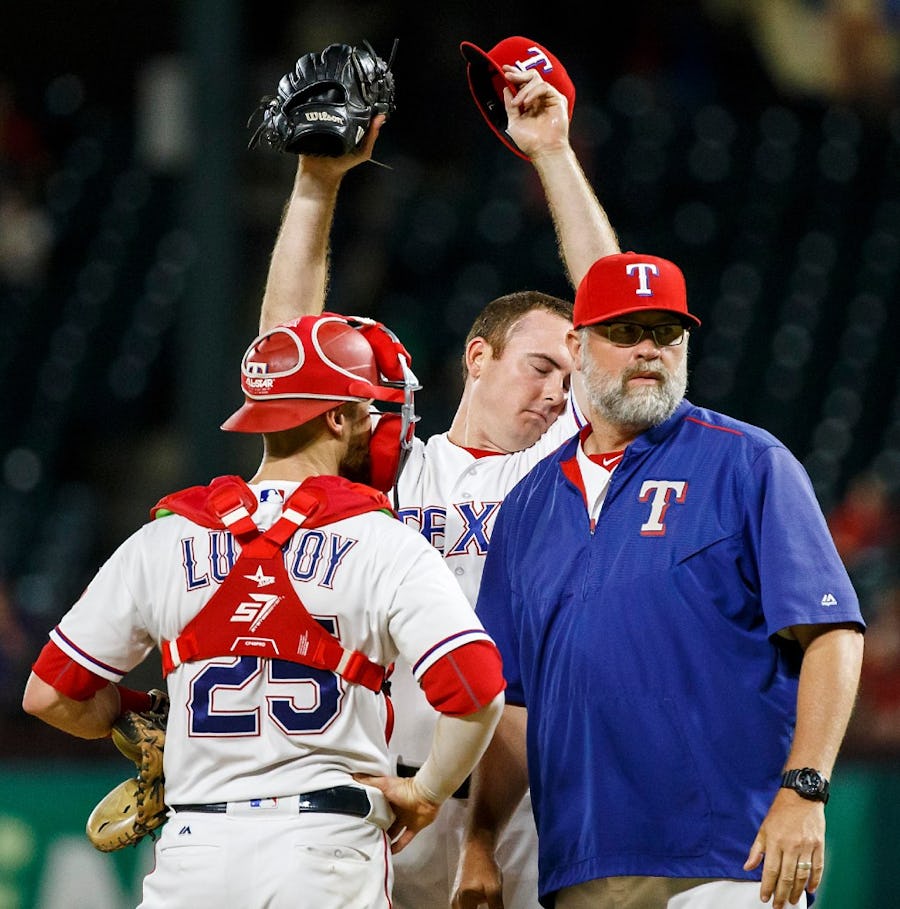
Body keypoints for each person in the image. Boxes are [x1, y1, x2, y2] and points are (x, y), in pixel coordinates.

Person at [256, 52, 621, 909]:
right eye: (540, 368)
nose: (557, 393)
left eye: (570, 380)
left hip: (524, 804)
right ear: (477, 357)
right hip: (377, 795)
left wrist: (553, 154)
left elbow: (618, 317)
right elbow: (286, 362)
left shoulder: (564, 470)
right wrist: (316, 184)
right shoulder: (395, 470)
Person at [21, 311, 506, 909]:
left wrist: (141, 712)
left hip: (195, 852)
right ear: (337, 415)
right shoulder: (385, 541)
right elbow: (478, 689)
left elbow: (49, 695)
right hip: (325, 849)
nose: (381, 428)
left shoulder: (163, 538)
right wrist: (428, 792)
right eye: (368, 412)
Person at [456, 251, 867, 909]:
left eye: (666, 332)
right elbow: (513, 702)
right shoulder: (529, 505)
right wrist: (480, 838)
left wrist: (805, 789)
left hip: (736, 854)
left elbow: (834, 635)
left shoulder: (746, 462)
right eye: (625, 332)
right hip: (584, 863)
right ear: (577, 344)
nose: (649, 349)